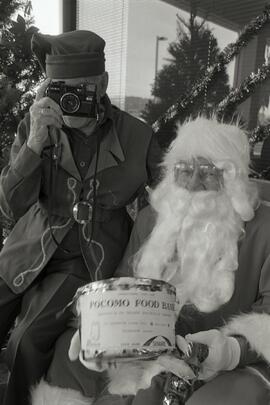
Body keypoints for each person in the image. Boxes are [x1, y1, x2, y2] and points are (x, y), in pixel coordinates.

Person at [31, 116, 270, 405]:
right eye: (184, 171)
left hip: (236, 362)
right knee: (68, 362)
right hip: (155, 354)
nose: (194, 183)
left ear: (230, 178)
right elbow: (125, 288)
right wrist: (103, 333)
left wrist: (232, 350)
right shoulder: (151, 220)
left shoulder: (264, 229)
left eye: (208, 172)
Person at [0, 29, 162, 405]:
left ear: (103, 83)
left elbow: (173, 197)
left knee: (27, 338)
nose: (70, 100)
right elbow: (9, 208)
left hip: (87, 259)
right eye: (60, 89)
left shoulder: (136, 136)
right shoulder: (37, 126)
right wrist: (34, 145)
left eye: (82, 89)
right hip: (29, 246)